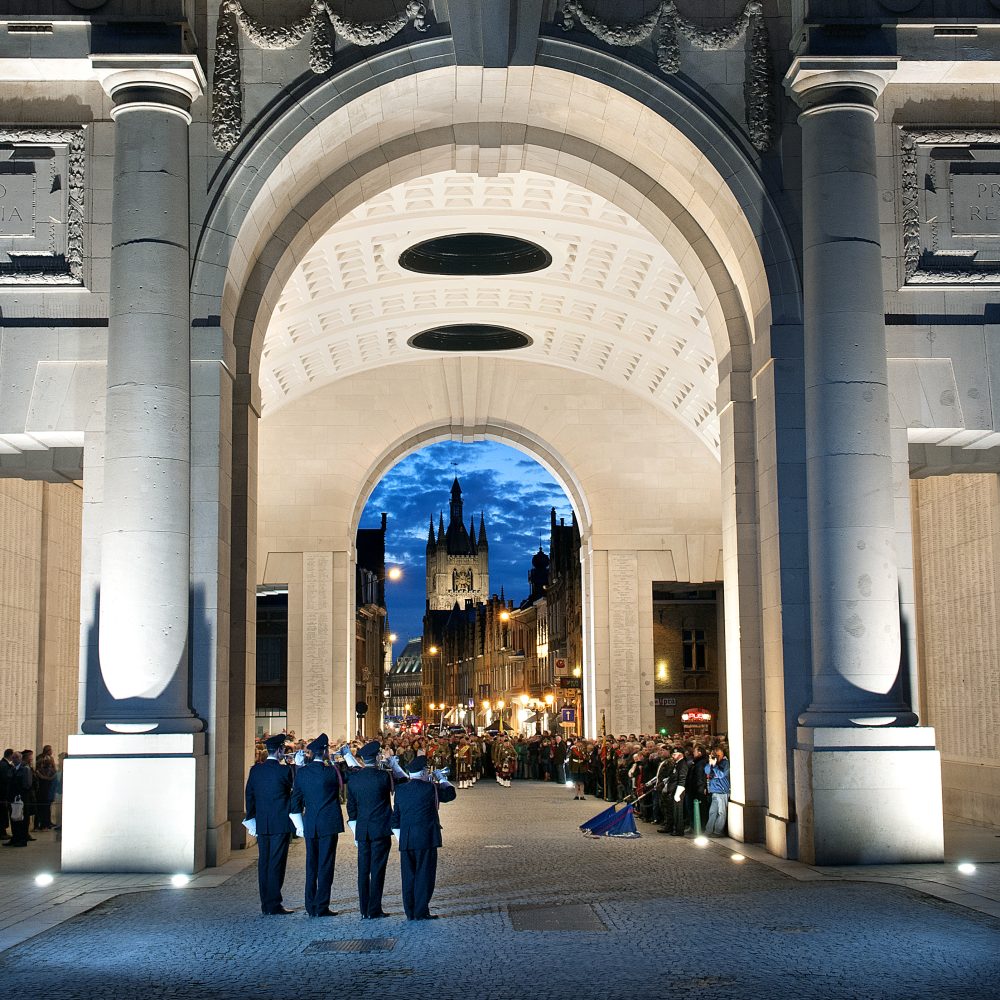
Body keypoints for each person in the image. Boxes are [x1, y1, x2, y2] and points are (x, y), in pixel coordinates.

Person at [391, 755, 457, 920]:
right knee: (424, 875)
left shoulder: (401, 790)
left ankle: (410, 911)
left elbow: (395, 818)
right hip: (426, 838)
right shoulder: (430, 788)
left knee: (408, 876)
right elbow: (450, 794)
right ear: (423, 772)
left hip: (406, 839)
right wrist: (442, 779)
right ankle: (421, 911)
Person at [290, 733, 343, 918]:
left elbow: (295, 802)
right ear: (326, 751)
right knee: (325, 865)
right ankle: (322, 905)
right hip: (328, 823)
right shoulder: (330, 772)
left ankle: (310, 904)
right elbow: (345, 779)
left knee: (311, 864)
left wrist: (300, 826)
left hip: (310, 823)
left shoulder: (302, 773)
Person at [244, 733, 296, 915]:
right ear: (281, 750)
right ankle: (274, 903)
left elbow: (249, 795)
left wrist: (251, 818)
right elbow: (294, 790)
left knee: (264, 863)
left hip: (262, 822)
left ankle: (265, 902)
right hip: (280, 822)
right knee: (276, 863)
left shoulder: (255, 770)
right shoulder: (284, 771)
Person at [345, 740, 394, 919]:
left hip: (362, 829)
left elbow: (351, 808)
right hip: (380, 828)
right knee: (377, 869)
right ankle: (375, 908)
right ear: (377, 757)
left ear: (363, 759)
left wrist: (355, 826)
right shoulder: (383, 777)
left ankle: (364, 908)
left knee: (363, 870)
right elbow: (400, 783)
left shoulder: (354, 779)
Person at [4, 752, 34, 847]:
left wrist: (21, 794)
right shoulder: (12, 769)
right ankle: (15, 837)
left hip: (22, 798)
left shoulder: (25, 769)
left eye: (16, 757)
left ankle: (22, 839)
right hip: (12, 798)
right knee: (14, 818)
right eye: (13, 758)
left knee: (22, 819)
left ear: (21, 758)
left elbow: (28, 784)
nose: (14, 759)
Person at [705, 745, 731, 836]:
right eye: (715, 755)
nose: (717, 757)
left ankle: (718, 832)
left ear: (722, 754)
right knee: (712, 812)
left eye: (718, 755)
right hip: (714, 791)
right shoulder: (713, 762)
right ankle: (709, 830)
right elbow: (707, 771)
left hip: (722, 791)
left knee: (721, 812)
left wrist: (715, 766)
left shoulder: (726, 763)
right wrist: (710, 763)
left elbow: (721, 775)